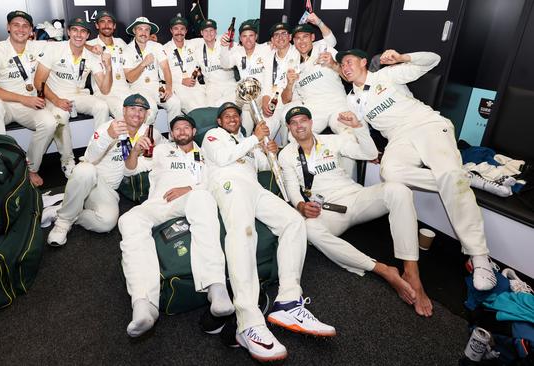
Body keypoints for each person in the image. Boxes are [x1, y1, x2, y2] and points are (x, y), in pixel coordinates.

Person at [337, 48, 497, 291]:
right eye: (341, 65)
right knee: (390, 173)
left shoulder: (386, 76)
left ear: (363, 62)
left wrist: (403, 58)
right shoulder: (351, 100)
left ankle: (479, 255)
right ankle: (460, 177)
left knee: (448, 175)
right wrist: (357, 126)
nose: (345, 67)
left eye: (348, 61)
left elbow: (434, 59)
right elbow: (367, 142)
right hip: (398, 138)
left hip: (426, 124)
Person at [202, 102, 336, 362]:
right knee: (243, 232)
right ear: (219, 122)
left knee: (293, 222)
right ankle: (247, 322)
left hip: (253, 187)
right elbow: (222, 158)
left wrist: (267, 150)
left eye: (235, 116)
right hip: (228, 184)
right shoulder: (213, 136)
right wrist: (255, 137)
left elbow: (261, 165)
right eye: (227, 116)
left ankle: (287, 301)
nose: (232, 118)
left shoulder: (244, 140)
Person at [279, 105, 433, 316]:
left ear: (311, 122)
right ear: (289, 128)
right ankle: (383, 270)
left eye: (303, 120)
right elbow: (291, 188)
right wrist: (301, 206)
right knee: (310, 230)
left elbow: (369, 153)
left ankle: (411, 272)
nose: (299, 125)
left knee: (398, 190)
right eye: (294, 123)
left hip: (356, 198)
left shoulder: (332, 140)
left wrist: (358, 127)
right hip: (328, 211)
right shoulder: (286, 155)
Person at [118, 114, 234, 337]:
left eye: (186, 128)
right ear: (172, 134)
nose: (181, 131)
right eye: (177, 129)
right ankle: (144, 303)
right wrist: (134, 151)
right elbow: (130, 170)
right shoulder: (161, 150)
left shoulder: (206, 154)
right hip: (158, 203)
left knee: (203, 198)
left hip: (190, 198)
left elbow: (213, 183)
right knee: (128, 219)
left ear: (193, 131)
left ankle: (215, 286)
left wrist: (189, 189)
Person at [47, 94, 164, 246]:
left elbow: (130, 171)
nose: (137, 113)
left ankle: (68, 212)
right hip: (91, 179)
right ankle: (62, 222)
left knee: (106, 223)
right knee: (85, 170)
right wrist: (108, 136)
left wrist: (135, 152)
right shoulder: (109, 127)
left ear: (147, 114)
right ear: (124, 110)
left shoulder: (152, 134)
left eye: (141, 110)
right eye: (132, 108)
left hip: (108, 190)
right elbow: (89, 158)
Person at [0, 10, 60, 187]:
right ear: (8, 27)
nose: (21, 29)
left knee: (49, 123)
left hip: (27, 105)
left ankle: (30, 169)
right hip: (4, 103)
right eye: (16, 24)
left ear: (31, 30)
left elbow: (68, 44)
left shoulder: (37, 46)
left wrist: (92, 47)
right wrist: (22, 99)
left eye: (25, 26)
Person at [33, 17, 112, 178]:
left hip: (78, 95)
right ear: (68, 32)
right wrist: (56, 100)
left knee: (102, 106)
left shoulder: (91, 56)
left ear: (87, 35)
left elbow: (104, 89)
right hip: (54, 96)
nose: (78, 34)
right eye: (75, 30)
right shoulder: (54, 49)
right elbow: (38, 81)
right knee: (60, 116)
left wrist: (108, 68)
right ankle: (67, 161)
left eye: (83, 31)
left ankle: (97, 155)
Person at [282, 21, 348, 136]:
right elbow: (285, 100)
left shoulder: (324, 49)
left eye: (305, 37)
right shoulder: (291, 63)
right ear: (293, 40)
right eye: (297, 38)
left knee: (350, 135)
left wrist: (333, 65)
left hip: (337, 104)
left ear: (312, 37)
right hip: (314, 109)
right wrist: (289, 84)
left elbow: (349, 78)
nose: (301, 41)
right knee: (295, 137)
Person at [123, 16, 181, 126]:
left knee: (175, 103)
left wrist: (169, 88)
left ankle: (173, 138)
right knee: (151, 108)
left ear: (150, 32)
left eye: (147, 29)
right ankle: (143, 138)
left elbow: (166, 68)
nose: (143, 33)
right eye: (140, 29)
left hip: (156, 86)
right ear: (134, 31)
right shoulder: (127, 50)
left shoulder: (157, 46)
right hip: (138, 88)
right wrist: (143, 63)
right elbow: (130, 78)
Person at [218, 20, 268, 134]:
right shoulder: (237, 52)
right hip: (246, 98)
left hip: (263, 95)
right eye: (244, 36)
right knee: (244, 129)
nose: (248, 39)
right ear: (240, 38)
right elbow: (225, 64)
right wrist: (224, 47)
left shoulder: (266, 49)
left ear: (256, 36)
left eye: (251, 35)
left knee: (264, 129)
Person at [86, 10, 131, 121]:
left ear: (114, 26)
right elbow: (74, 44)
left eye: (109, 22)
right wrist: (89, 47)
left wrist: (148, 40)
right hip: (104, 93)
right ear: (97, 25)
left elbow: (134, 52)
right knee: (124, 114)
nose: (106, 25)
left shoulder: (120, 42)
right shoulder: (90, 44)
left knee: (143, 110)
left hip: (125, 89)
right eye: (102, 22)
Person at [260, 22, 300, 144]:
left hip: (293, 100)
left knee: (290, 139)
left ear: (290, 37)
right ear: (272, 40)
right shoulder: (268, 56)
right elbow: (266, 83)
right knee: (262, 135)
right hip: (274, 102)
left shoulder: (298, 53)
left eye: (284, 33)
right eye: (276, 35)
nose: (280, 37)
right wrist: (265, 100)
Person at [163, 16, 206, 113]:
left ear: (186, 31)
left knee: (205, 106)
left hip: (195, 85)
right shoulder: (164, 49)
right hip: (178, 86)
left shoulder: (193, 44)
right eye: (176, 29)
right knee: (194, 109)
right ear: (171, 30)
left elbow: (211, 38)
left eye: (182, 29)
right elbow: (162, 73)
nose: (179, 32)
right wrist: (181, 80)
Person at [191, 19, 237, 107]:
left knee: (230, 107)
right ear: (201, 33)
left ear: (216, 32)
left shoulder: (225, 42)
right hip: (212, 86)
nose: (209, 33)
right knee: (210, 108)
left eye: (211, 30)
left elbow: (243, 49)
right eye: (206, 31)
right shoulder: (198, 50)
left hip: (229, 83)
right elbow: (193, 68)